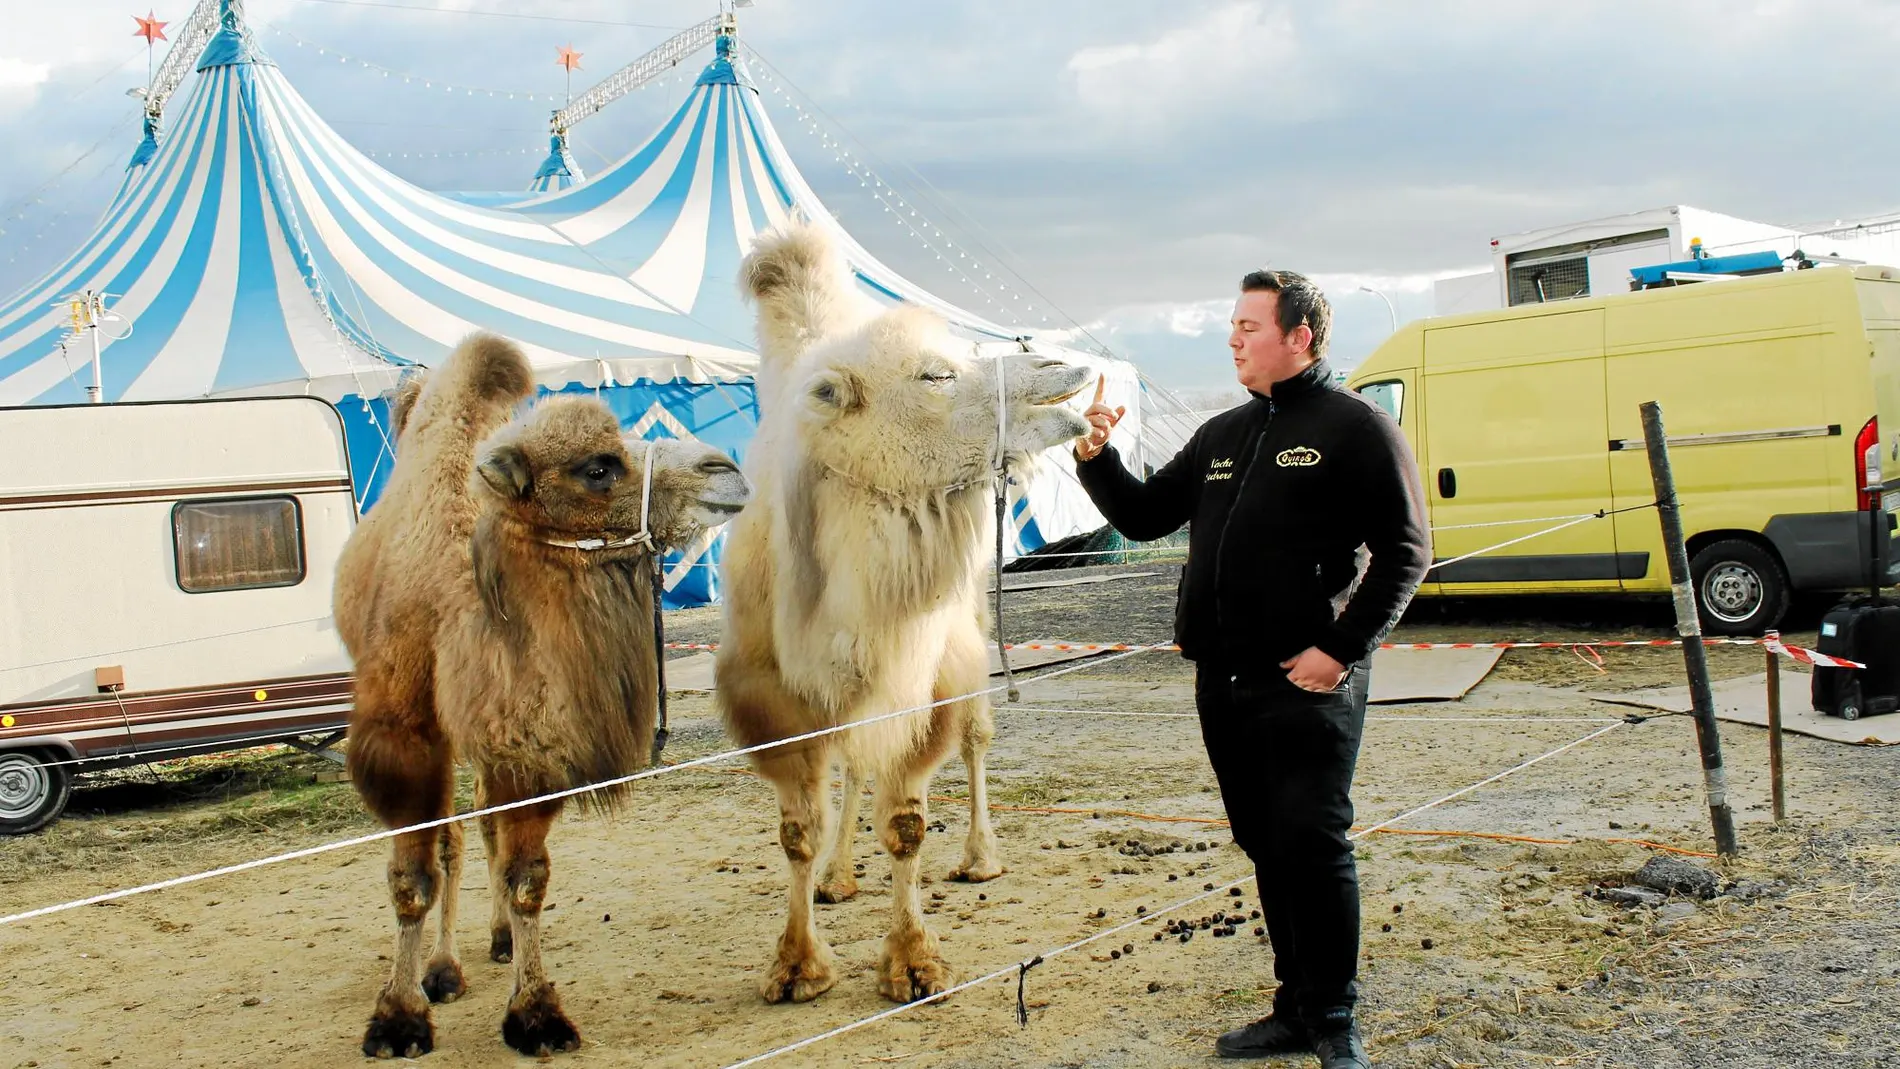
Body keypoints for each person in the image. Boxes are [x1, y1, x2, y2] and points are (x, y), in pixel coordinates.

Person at [1072, 269, 1430, 1067]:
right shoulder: (1223, 434)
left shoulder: (1356, 427)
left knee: (1314, 841)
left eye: (1248, 326)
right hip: (1223, 681)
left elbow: (1407, 551)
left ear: (1300, 336)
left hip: (1306, 680)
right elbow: (1143, 514)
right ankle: (1294, 1005)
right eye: (1231, 326)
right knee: (1266, 842)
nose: (1233, 338)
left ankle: (1335, 1016)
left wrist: (1340, 650)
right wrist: (1097, 459)